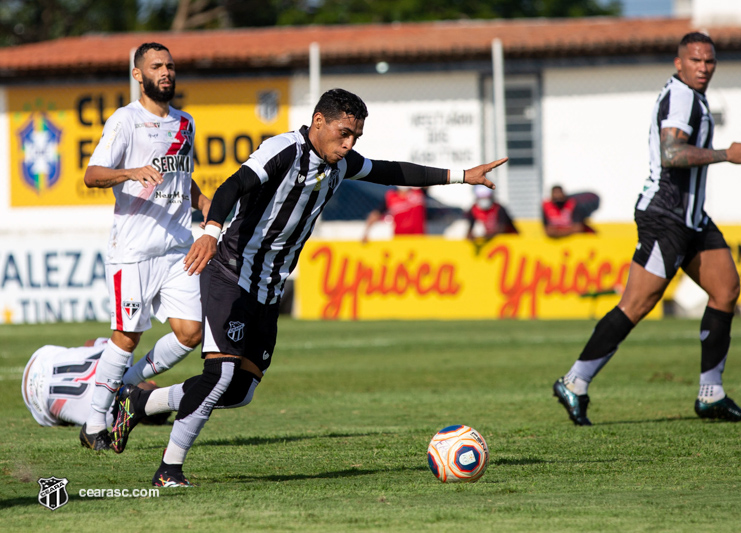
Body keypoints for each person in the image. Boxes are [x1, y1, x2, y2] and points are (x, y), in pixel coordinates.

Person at [111, 88, 507, 486]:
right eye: (344, 133)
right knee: (219, 377)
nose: (349, 144)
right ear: (319, 121)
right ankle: (168, 471)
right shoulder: (283, 149)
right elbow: (232, 186)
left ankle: (142, 400)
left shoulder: (340, 162)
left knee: (238, 392)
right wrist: (211, 231)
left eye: (356, 137)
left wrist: (461, 176)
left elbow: (392, 172)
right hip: (230, 274)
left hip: (268, 290)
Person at [552, 32, 741, 426]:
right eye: (696, 61)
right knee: (637, 304)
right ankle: (574, 382)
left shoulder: (693, 97)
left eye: (709, 61)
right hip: (665, 216)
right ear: (679, 64)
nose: (703, 67)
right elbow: (671, 153)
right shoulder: (680, 96)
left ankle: (711, 394)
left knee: (726, 289)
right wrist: (725, 155)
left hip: (692, 218)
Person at [81, 42, 211, 450]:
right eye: (156, 67)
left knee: (191, 333)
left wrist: (203, 201)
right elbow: (92, 174)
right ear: (138, 75)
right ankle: (93, 423)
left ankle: (128, 387)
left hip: (177, 246)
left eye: (170, 66)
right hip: (133, 249)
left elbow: (180, 175)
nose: (166, 72)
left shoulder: (185, 122)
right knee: (126, 336)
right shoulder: (125, 121)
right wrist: (130, 172)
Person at [21, 339, 169, 430]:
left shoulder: (125, 354)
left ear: (152, 382)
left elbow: (89, 343)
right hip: (37, 404)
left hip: (38, 361)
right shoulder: (109, 419)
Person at [362, 186, 427, 242]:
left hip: (418, 238)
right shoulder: (391, 197)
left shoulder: (419, 192)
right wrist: (366, 233)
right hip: (399, 238)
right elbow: (376, 214)